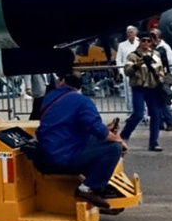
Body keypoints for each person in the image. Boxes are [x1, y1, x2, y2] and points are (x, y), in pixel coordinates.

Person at [35, 73, 128, 209]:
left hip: (50, 148)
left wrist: (106, 130)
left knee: (101, 140)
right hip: (65, 154)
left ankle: (97, 181)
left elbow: (69, 123)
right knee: (114, 148)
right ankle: (88, 188)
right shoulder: (82, 101)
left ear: (62, 82)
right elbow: (96, 128)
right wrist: (119, 140)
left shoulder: (50, 97)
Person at [120, 33, 166, 151]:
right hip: (139, 87)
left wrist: (161, 76)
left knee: (155, 115)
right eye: (143, 41)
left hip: (152, 88)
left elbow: (160, 69)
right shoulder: (133, 56)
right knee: (138, 114)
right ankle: (123, 136)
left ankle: (154, 143)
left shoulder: (155, 55)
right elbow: (127, 71)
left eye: (148, 41)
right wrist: (136, 65)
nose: (146, 43)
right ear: (140, 42)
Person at [149, 26, 172, 130]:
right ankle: (160, 122)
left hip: (162, 77)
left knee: (164, 100)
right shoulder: (154, 48)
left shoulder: (163, 48)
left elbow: (169, 62)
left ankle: (169, 122)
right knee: (157, 101)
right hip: (154, 77)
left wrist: (164, 74)